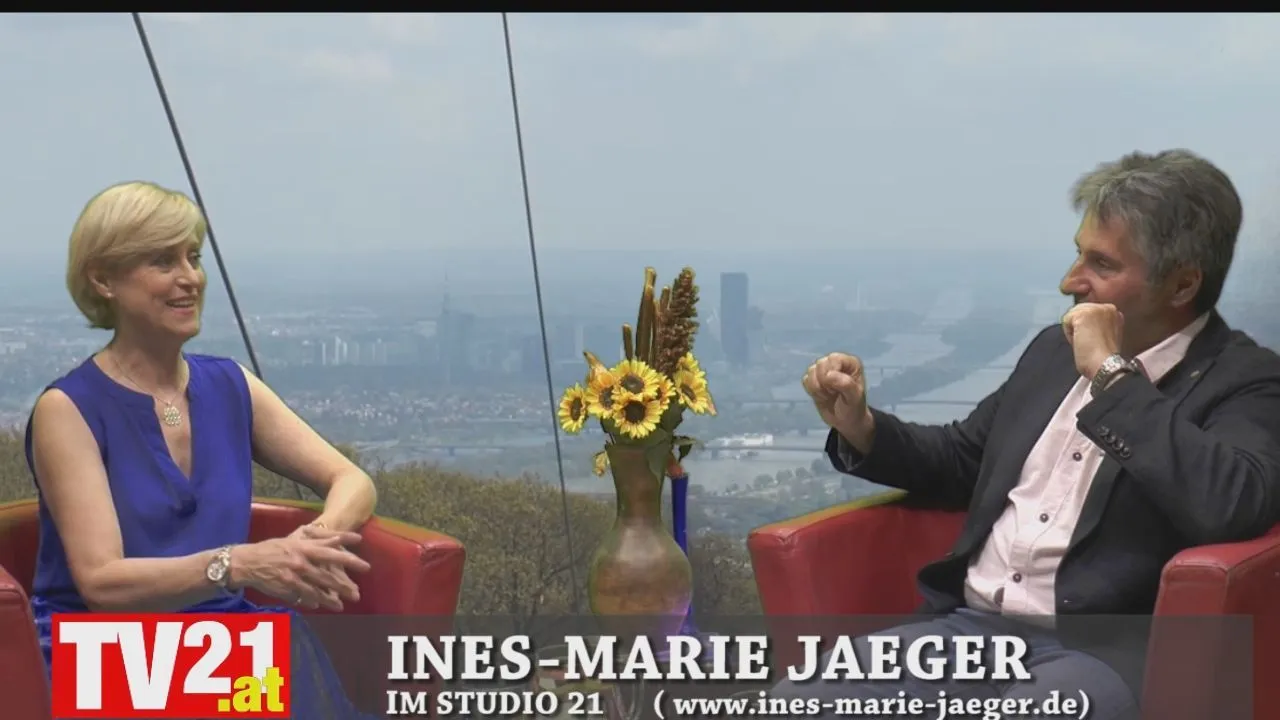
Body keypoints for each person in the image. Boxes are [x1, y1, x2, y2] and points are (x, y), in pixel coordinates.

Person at [781, 150, 1280, 720]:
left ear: (1182, 284)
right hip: (969, 633)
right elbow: (964, 457)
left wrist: (1111, 376)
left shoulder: (1248, 381)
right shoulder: (1052, 351)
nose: (1070, 281)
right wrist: (860, 425)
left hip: (1096, 653)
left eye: (1101, 264)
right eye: (1078, 253)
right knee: (799, 702)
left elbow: (1231, 504)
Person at [26, 180, 382, 717]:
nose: (190, 277)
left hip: (215, 642)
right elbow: (102, 583)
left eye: (192, 257)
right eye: (162, 261)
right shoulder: (68, 409)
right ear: (103, 279)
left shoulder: (230, 386)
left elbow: (352, 481)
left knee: (279, 654)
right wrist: (238, 564)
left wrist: (307, 547)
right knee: (273, 666)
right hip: (101, 651)